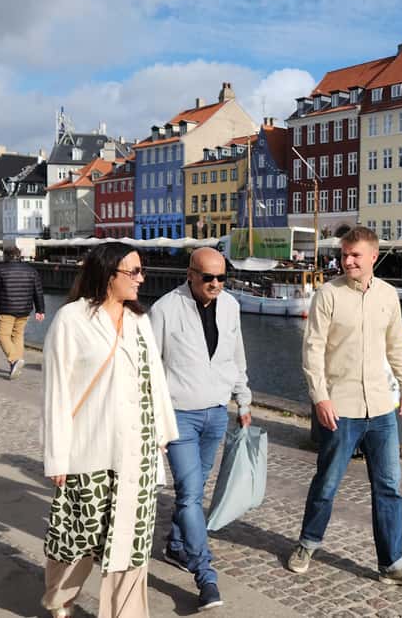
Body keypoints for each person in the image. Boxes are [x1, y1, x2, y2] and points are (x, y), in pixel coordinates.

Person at [287, 226, 402, 591]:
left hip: (382, 409)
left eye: (355, 255)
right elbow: (313, 350)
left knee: (389, 487)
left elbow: (396, 346)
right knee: (327, 482)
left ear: (373, 256)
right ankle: (307, 544)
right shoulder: (328, 294)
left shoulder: (387, 295)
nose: (347, 260)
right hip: (342, 407)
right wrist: (320, 397)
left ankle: (392, 564)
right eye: (344, 254)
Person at [41, 243, 179, 618]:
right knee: (80, 540)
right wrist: (56, 455)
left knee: (131, 544)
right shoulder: (71, 320)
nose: (141, 279)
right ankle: (59, 597)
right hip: (90, 449)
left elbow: (156, 384)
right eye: (133, 272)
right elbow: (56, 390)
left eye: (141, 271)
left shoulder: (140, 322)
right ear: (108, 275)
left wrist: (163, 435)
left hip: (138, 451)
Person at [149, 246, 252, 611]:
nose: (216, 284)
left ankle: (176, 545)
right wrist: (155, 420)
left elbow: (235, 357)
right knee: (191, 494)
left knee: (196, 487)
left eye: (222, 277)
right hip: (180, 415)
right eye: (208, 277)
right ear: (190, 274)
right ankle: (205, 574)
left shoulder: (231, 307)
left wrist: (243, 399)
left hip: (216, 414)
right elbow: (151, 368)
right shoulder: (164, 310)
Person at [0, 245, 45, 379]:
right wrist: (40, 309)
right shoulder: (31, 271)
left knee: (2, 335)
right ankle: (16, 366)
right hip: (25, 310)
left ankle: (14, 360)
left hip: (7, 309)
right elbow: (38, 291)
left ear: (6, 255)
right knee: (18, 336)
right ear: (19, 255)